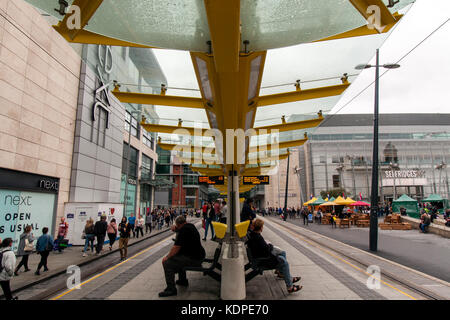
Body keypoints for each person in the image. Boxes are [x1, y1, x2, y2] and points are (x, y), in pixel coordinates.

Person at [247, 219, 302, 294]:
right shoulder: (258, 237)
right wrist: (270, 247)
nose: (263, 228)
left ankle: (283, 275)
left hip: (259, 257)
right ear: (260, 228)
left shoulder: (254, 235)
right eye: (262, 226)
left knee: (282, 253)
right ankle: (290, 286)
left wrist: (268, 246)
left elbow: (263, 248)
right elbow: (266, 251)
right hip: (262, 261)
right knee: (284, 262)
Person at [159, 215, 206, 297]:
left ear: (178, 224)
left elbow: (176, 248)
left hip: (195, 259)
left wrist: (167, 257)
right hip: (199, 255)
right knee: (179, 256)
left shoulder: (183, 231)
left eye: (176, 225)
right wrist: (176, 229)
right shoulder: (190, 226)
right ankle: (182, 280)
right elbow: (181, 230)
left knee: (167, 263)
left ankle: (171, 289)